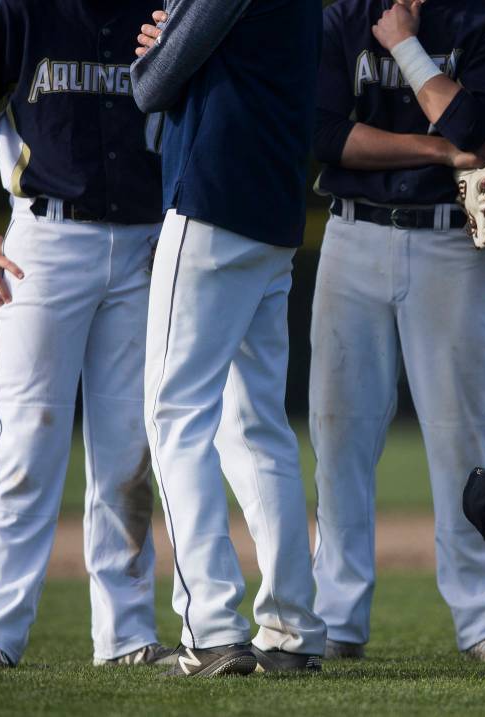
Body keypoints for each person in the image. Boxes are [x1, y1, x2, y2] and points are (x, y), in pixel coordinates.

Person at [0, 0, 172, 671]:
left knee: (129, 454)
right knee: (29, 443)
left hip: (141, 245)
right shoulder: (22, 10)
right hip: (44, 240)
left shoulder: (158, 8)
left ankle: (127, 636)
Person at [309, 0, 485, 662]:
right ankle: (337, 617)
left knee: (462, 435)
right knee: (339, 436)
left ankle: (481, 618)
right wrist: (439, 147)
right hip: (352, 234)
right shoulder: (340, 16)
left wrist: (406, 47)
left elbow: (474, 121)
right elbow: (324, 135)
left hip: (449, 243)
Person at [131, 0, 326, 677]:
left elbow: (149, 85)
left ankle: (211, 628)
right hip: (274, 209)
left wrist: (162, 50)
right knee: (255, 426)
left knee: (176, 414)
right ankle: (292, 629)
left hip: (213, 197)